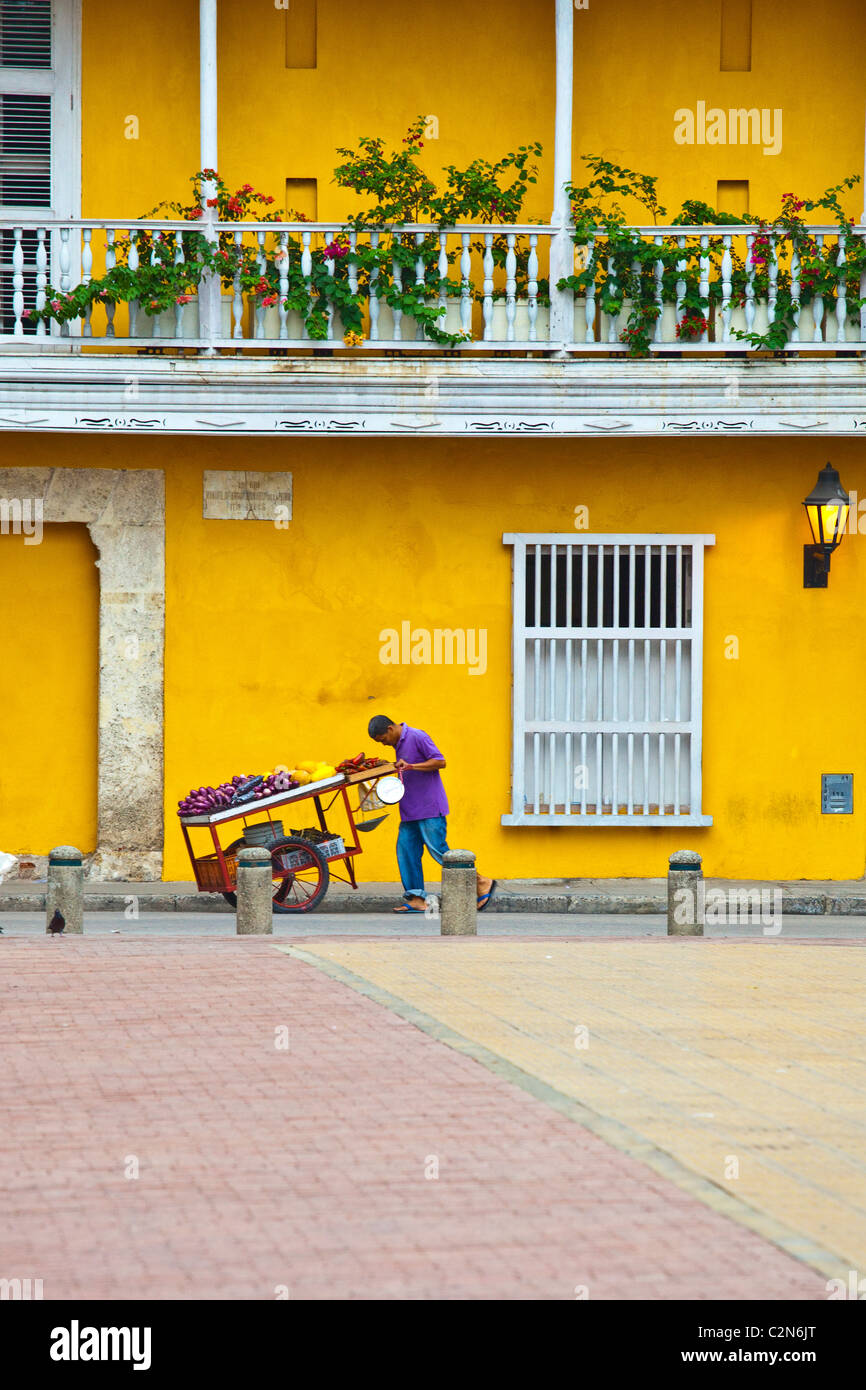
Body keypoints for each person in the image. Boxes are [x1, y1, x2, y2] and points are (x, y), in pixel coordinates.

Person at [367, 715, 496, 914]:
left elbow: (439, 761)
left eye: (382, 739)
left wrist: (411, 766)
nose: (383, 743)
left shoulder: (417, 736)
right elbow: (405, 765)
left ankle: (481, 881)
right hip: (410, 808)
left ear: (391, 728)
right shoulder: (398, 744)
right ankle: (417, 898)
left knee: (439, 850)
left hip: (429, 806)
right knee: (406, 852)